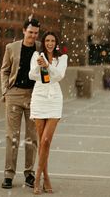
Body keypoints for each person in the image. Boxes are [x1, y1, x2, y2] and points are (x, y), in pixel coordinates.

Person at [0, 18, 41, 189]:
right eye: (30, 32)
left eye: (36, 33)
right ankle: (8, 175)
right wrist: (5, 90)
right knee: (12, 137)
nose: (33, 36)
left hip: (34, 96)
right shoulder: (12, 48)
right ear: (24, 31)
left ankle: (29, 174)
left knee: (32, 138)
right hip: (14, 94)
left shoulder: (41, 49)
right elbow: (5, 70)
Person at [29, 31, 68, 194]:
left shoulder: (62, 59)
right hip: (39, 98)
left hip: (54, 100)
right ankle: (46, 176)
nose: (50, 43)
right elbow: (32, 75)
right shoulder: (36, 55)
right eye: (47, 40)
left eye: (52, 41)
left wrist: (48, 66)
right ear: (43, 42)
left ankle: (37, 178)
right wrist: (39, 65)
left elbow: (59, 76)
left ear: (56, 43)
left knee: (46, 140)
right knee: (41, 140)